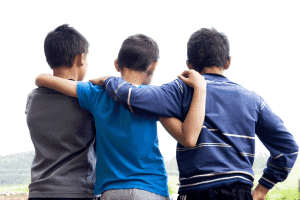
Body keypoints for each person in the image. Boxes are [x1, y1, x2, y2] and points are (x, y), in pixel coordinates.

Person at [96, 28, 299, 200]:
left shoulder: (180, 90)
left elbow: (131, 95)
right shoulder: (253, 100)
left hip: (195, 191)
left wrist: (107, 80)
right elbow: (288, 148)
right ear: (227, 62)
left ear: (189, 64)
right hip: (239, 191)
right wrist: (262, 189)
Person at [34, 34, 207, 199]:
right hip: (149, 188)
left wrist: (41, 77)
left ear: (117, 64)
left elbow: (51, 82)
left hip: (110, 191)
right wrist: (200, 88)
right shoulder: (153, 98)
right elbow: (187, 137)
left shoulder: (95, 94)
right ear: (152, 67)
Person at [25, 24, 96, 200]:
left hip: (38, 191)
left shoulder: (32, 99)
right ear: (81, 58)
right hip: (78, 191)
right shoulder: (86, 98)